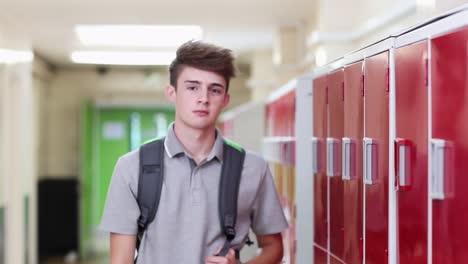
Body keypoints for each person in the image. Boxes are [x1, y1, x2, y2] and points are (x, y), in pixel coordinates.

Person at [100, 40, 288, 264]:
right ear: (172, 93)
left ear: (225, 99)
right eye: (192, 87)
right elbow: (120, 260)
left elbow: (274, 247)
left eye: (215, 90)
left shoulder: (253, 168)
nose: (203, 99)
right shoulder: (131, 167)